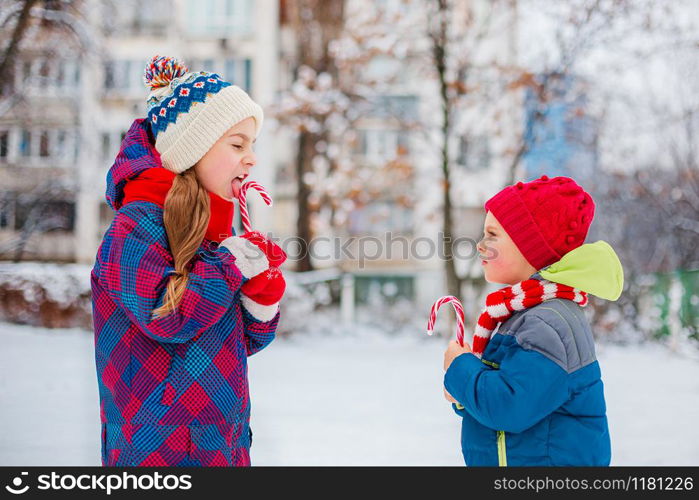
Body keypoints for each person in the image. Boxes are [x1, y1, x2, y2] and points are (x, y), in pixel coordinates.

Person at [90, 56, 286, 466]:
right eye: (237, 144)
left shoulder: (212, 233)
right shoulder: (136, 227)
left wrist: (259, 305)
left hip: (221, 448)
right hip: (155, 457)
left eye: (252, 146)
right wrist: (229, 267)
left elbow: (234, 344)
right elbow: (167, 319)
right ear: (190, 150)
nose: (251, 159)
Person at [443, 175, 624, 466]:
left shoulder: (546, 322)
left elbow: (511, 407)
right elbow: (505, 401)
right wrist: (463, 392)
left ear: (530, 247)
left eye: (492, 234)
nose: (480, 245)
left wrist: (460, 367)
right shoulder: (525, 314)